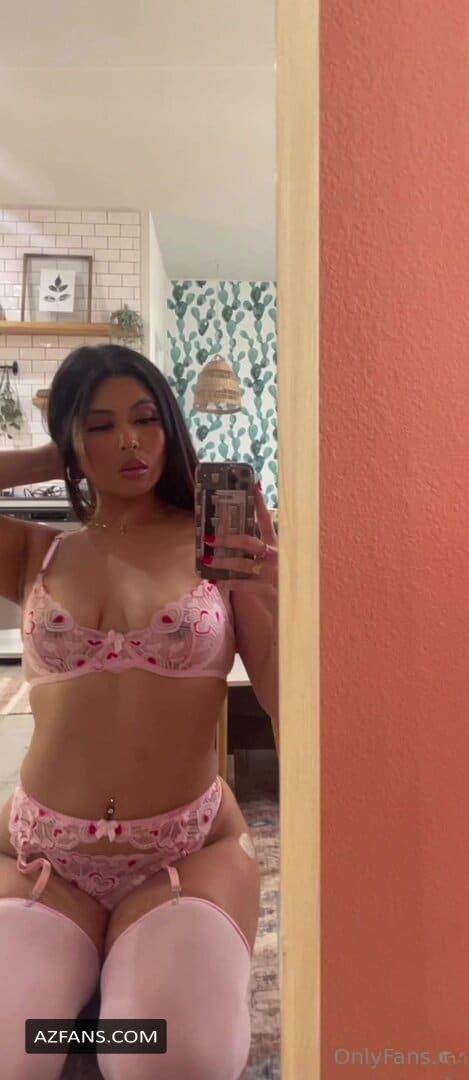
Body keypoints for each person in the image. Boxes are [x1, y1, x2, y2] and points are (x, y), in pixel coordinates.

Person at [0, 344, 279, 1078]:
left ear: (170, 427)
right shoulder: (39, 549)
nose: (128, 441)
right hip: (40, 853)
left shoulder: (219, 545)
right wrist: (53, 455)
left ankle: (103, 1023)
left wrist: (276, 597)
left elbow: (287, 705)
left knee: (164, 1055)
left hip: (184, 852)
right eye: (100, 426)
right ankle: (78, 1015)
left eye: (146, 419)